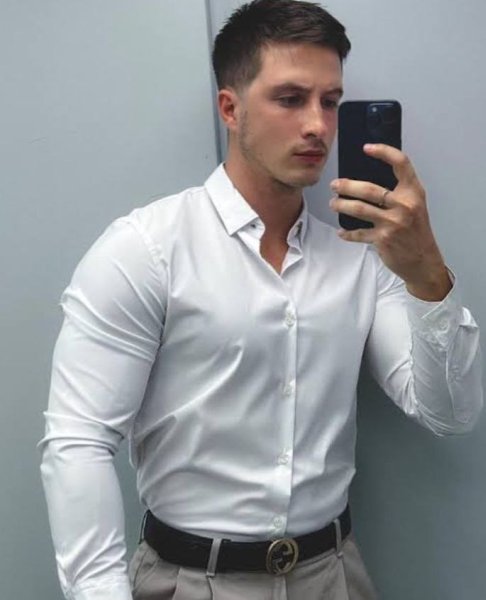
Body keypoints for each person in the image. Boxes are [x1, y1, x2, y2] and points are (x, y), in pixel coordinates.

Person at [39, 1, 483, 599]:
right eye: (291, 98)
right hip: (188, 582)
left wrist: (427, 275)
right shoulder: (146, 250)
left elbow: (449, 414)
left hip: (333, 577)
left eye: (331, 101)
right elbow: (79, 441)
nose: (318, 125)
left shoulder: (361, 260)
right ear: (231, 108)